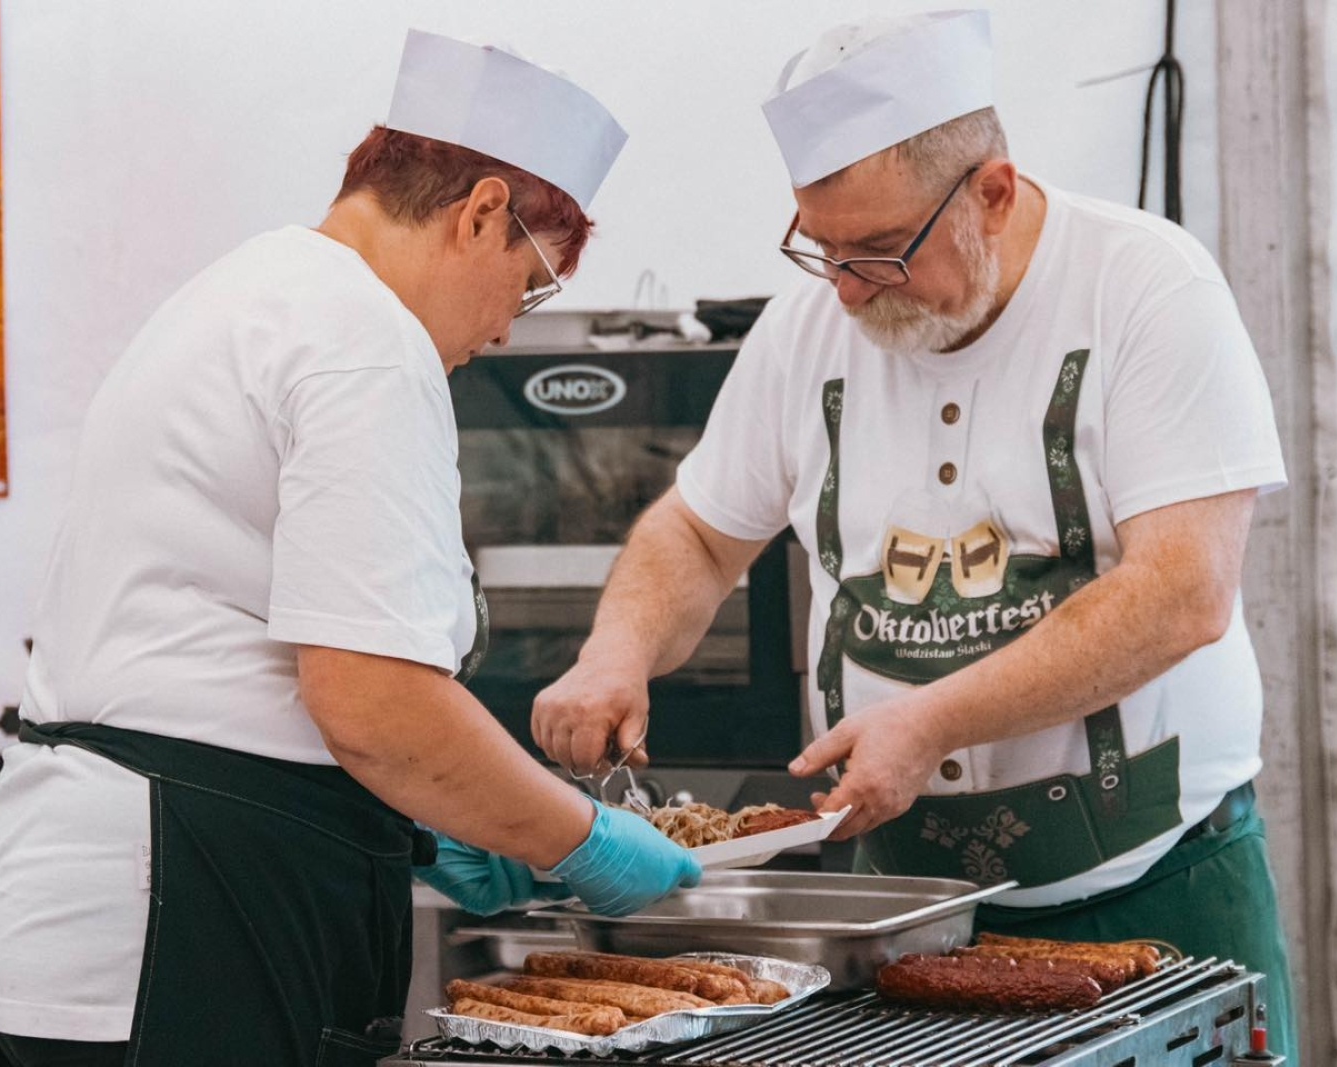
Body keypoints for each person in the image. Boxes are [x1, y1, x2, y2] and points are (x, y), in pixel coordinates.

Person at [532, 9, 1297, 1063]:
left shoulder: (1145, 288)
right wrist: (615, 651)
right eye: (822, 246)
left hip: (1151, 887)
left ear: (991, 190)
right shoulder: (812, 326)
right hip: (894, 915)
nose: (845, 288)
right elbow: (699, 534)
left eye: (882, 251)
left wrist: (933, 720)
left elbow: (1182, 589)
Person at [0, 29, 699, 1067]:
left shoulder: (247, 289)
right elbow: (373, 703)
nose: (503, 331)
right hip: (191, 905)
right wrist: (578, 839)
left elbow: (228, 646)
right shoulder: (362, 336)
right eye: (528, 284)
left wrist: (450, 810)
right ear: (481, 210)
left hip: (105, 903)